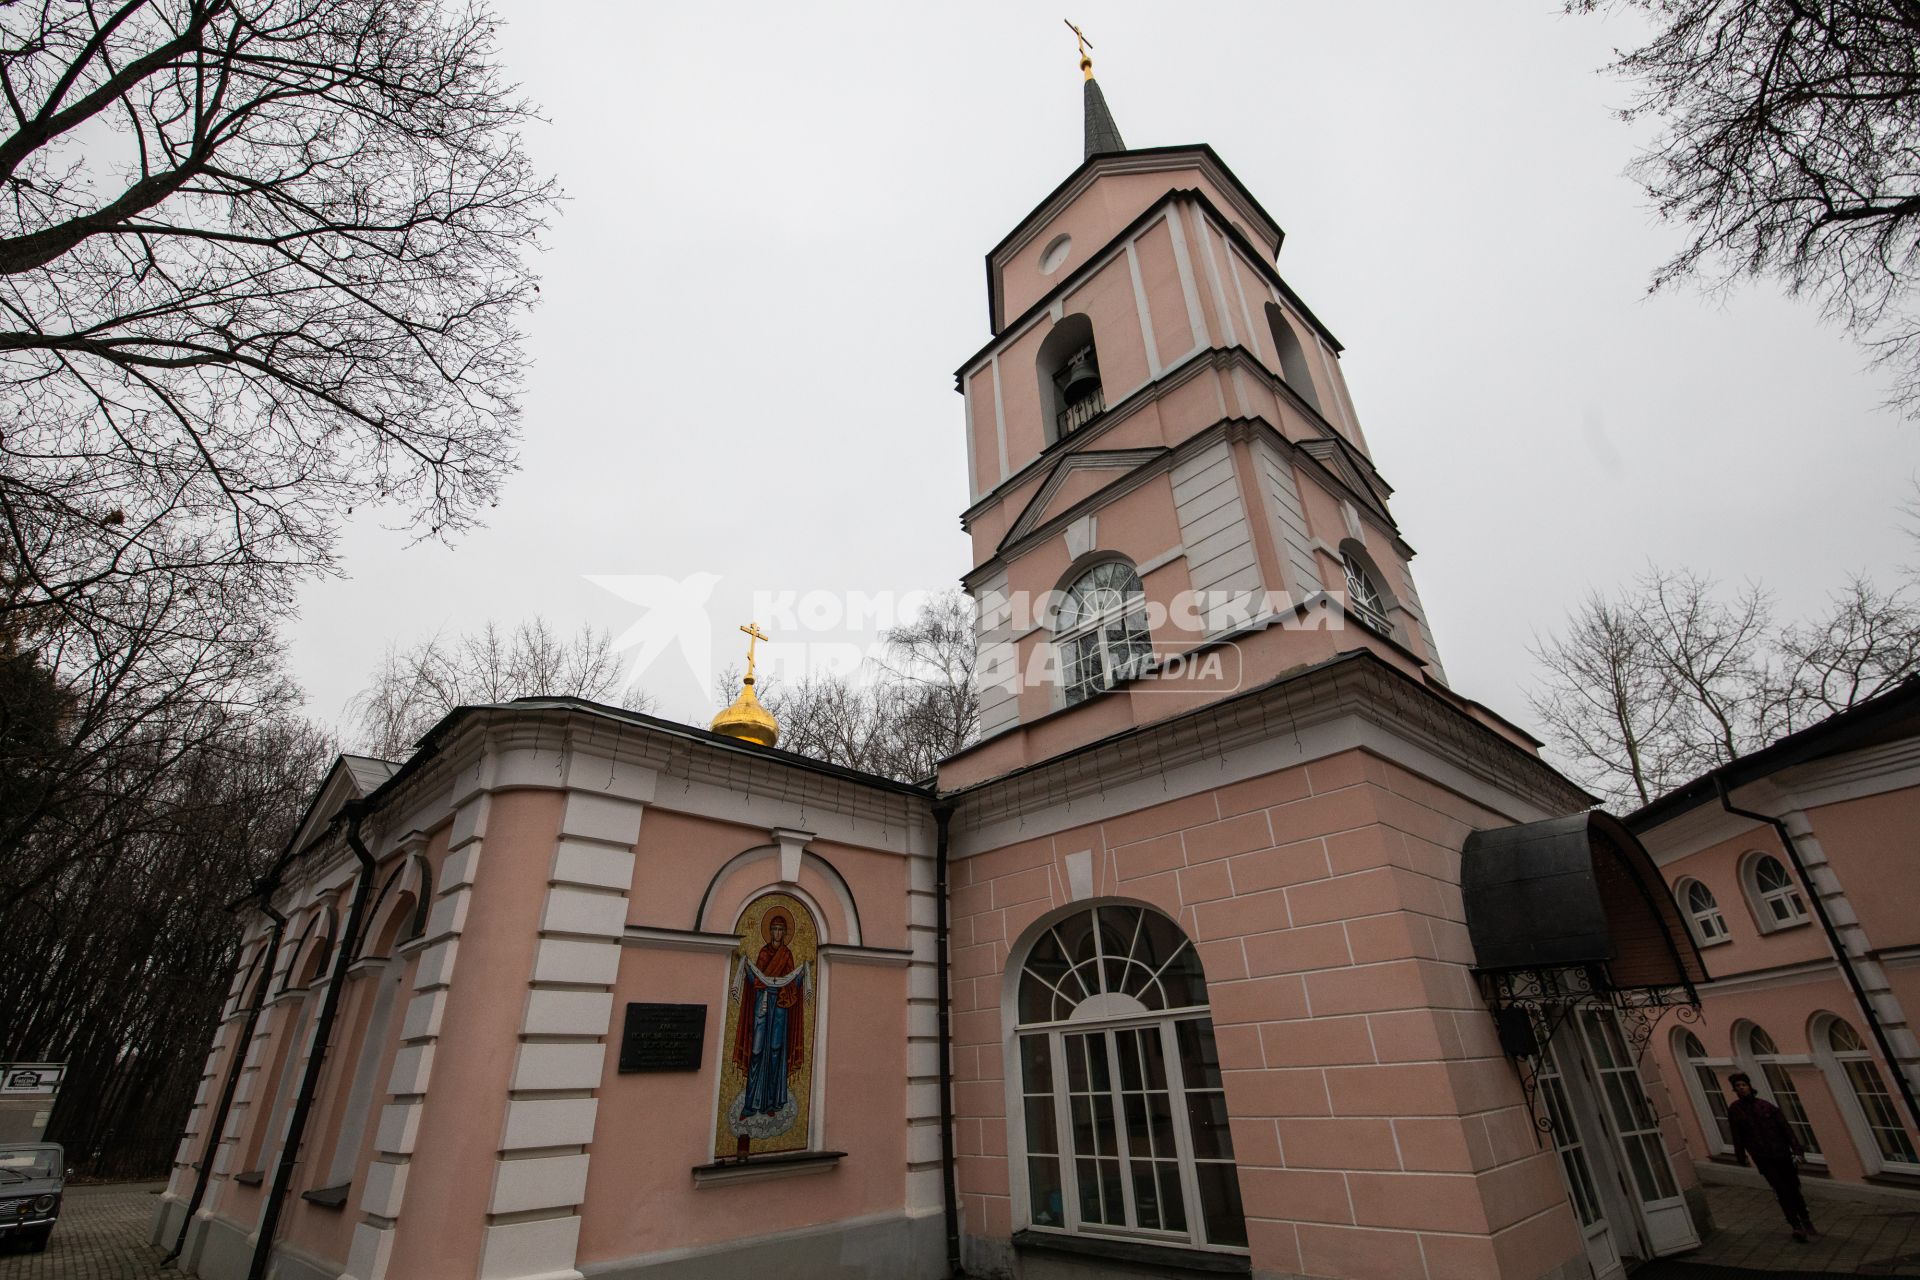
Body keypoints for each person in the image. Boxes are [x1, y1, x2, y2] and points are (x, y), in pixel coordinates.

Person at [1726, 1072, 1814, 1242]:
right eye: (1737, 1086)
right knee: (1781, 1190)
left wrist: (1797, 1150)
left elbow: (1785, 1129)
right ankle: (1795, 1225)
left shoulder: (1766, 1106)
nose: (1741, 1088)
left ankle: (1805, 1217)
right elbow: (1737, 1135)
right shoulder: (1735, 1110)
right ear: (1734, 1089)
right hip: (1763, 1157)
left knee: (1794, 1188)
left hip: (1781, 1153)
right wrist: (1740, 1155)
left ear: (1749, 1086)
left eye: (1743, 1085)